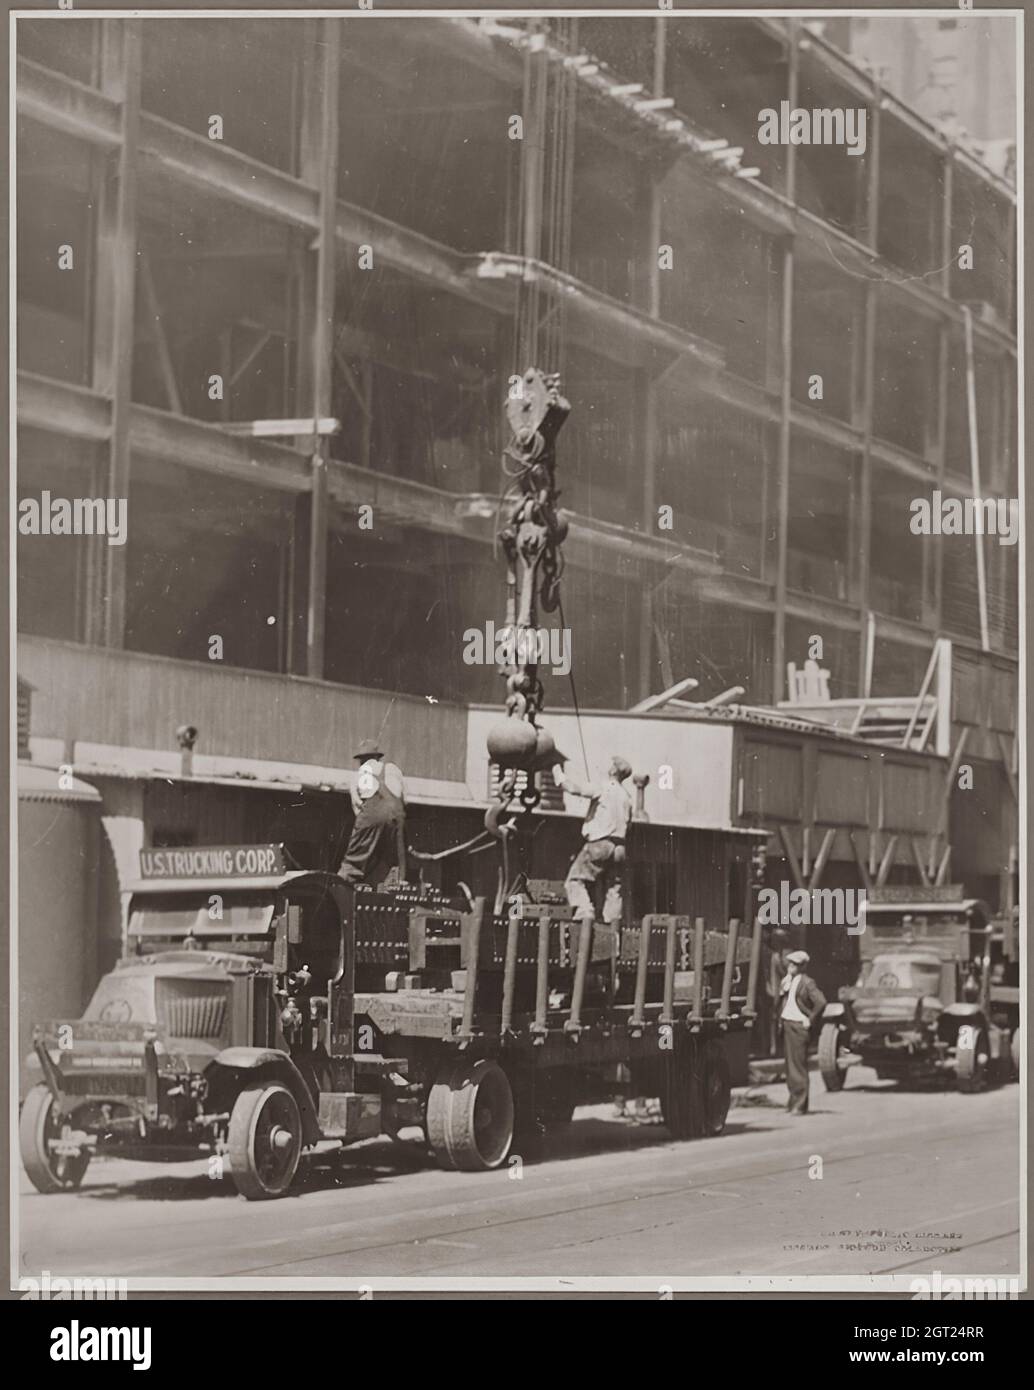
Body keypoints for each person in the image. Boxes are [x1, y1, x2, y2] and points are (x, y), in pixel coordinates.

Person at [553, 755, 633, 927]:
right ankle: (613, 925)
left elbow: (573, 789)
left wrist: (558, 773)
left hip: (600, 844)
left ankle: (584, 914)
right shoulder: (626, 796)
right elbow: (629, 824)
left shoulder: (603, 787)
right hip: (619, 847)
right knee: (614, 888)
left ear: (613, 770)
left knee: (575, 880)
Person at [339, 739, 406, 887]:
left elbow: (358, 809)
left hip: (373, 814)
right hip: (397, 815)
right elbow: (403, 799)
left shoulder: (361, 773)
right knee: (391, 860)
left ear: (361, 760)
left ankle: (344, 883)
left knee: (355, 856)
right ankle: (394, 884)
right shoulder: (393, 769)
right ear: (377, 757)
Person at [779, 949, 826, 1115]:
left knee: (798, 1065)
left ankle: (800, 1104)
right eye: (790, 963)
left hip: (799, 1025)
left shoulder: (807, 982)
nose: (790, 966)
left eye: (794, 964)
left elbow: (820, 1002)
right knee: (790, 1066)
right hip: (788, 1024)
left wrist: (810, 1019)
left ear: (801, 966)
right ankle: (793, 1101)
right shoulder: (789, 981)